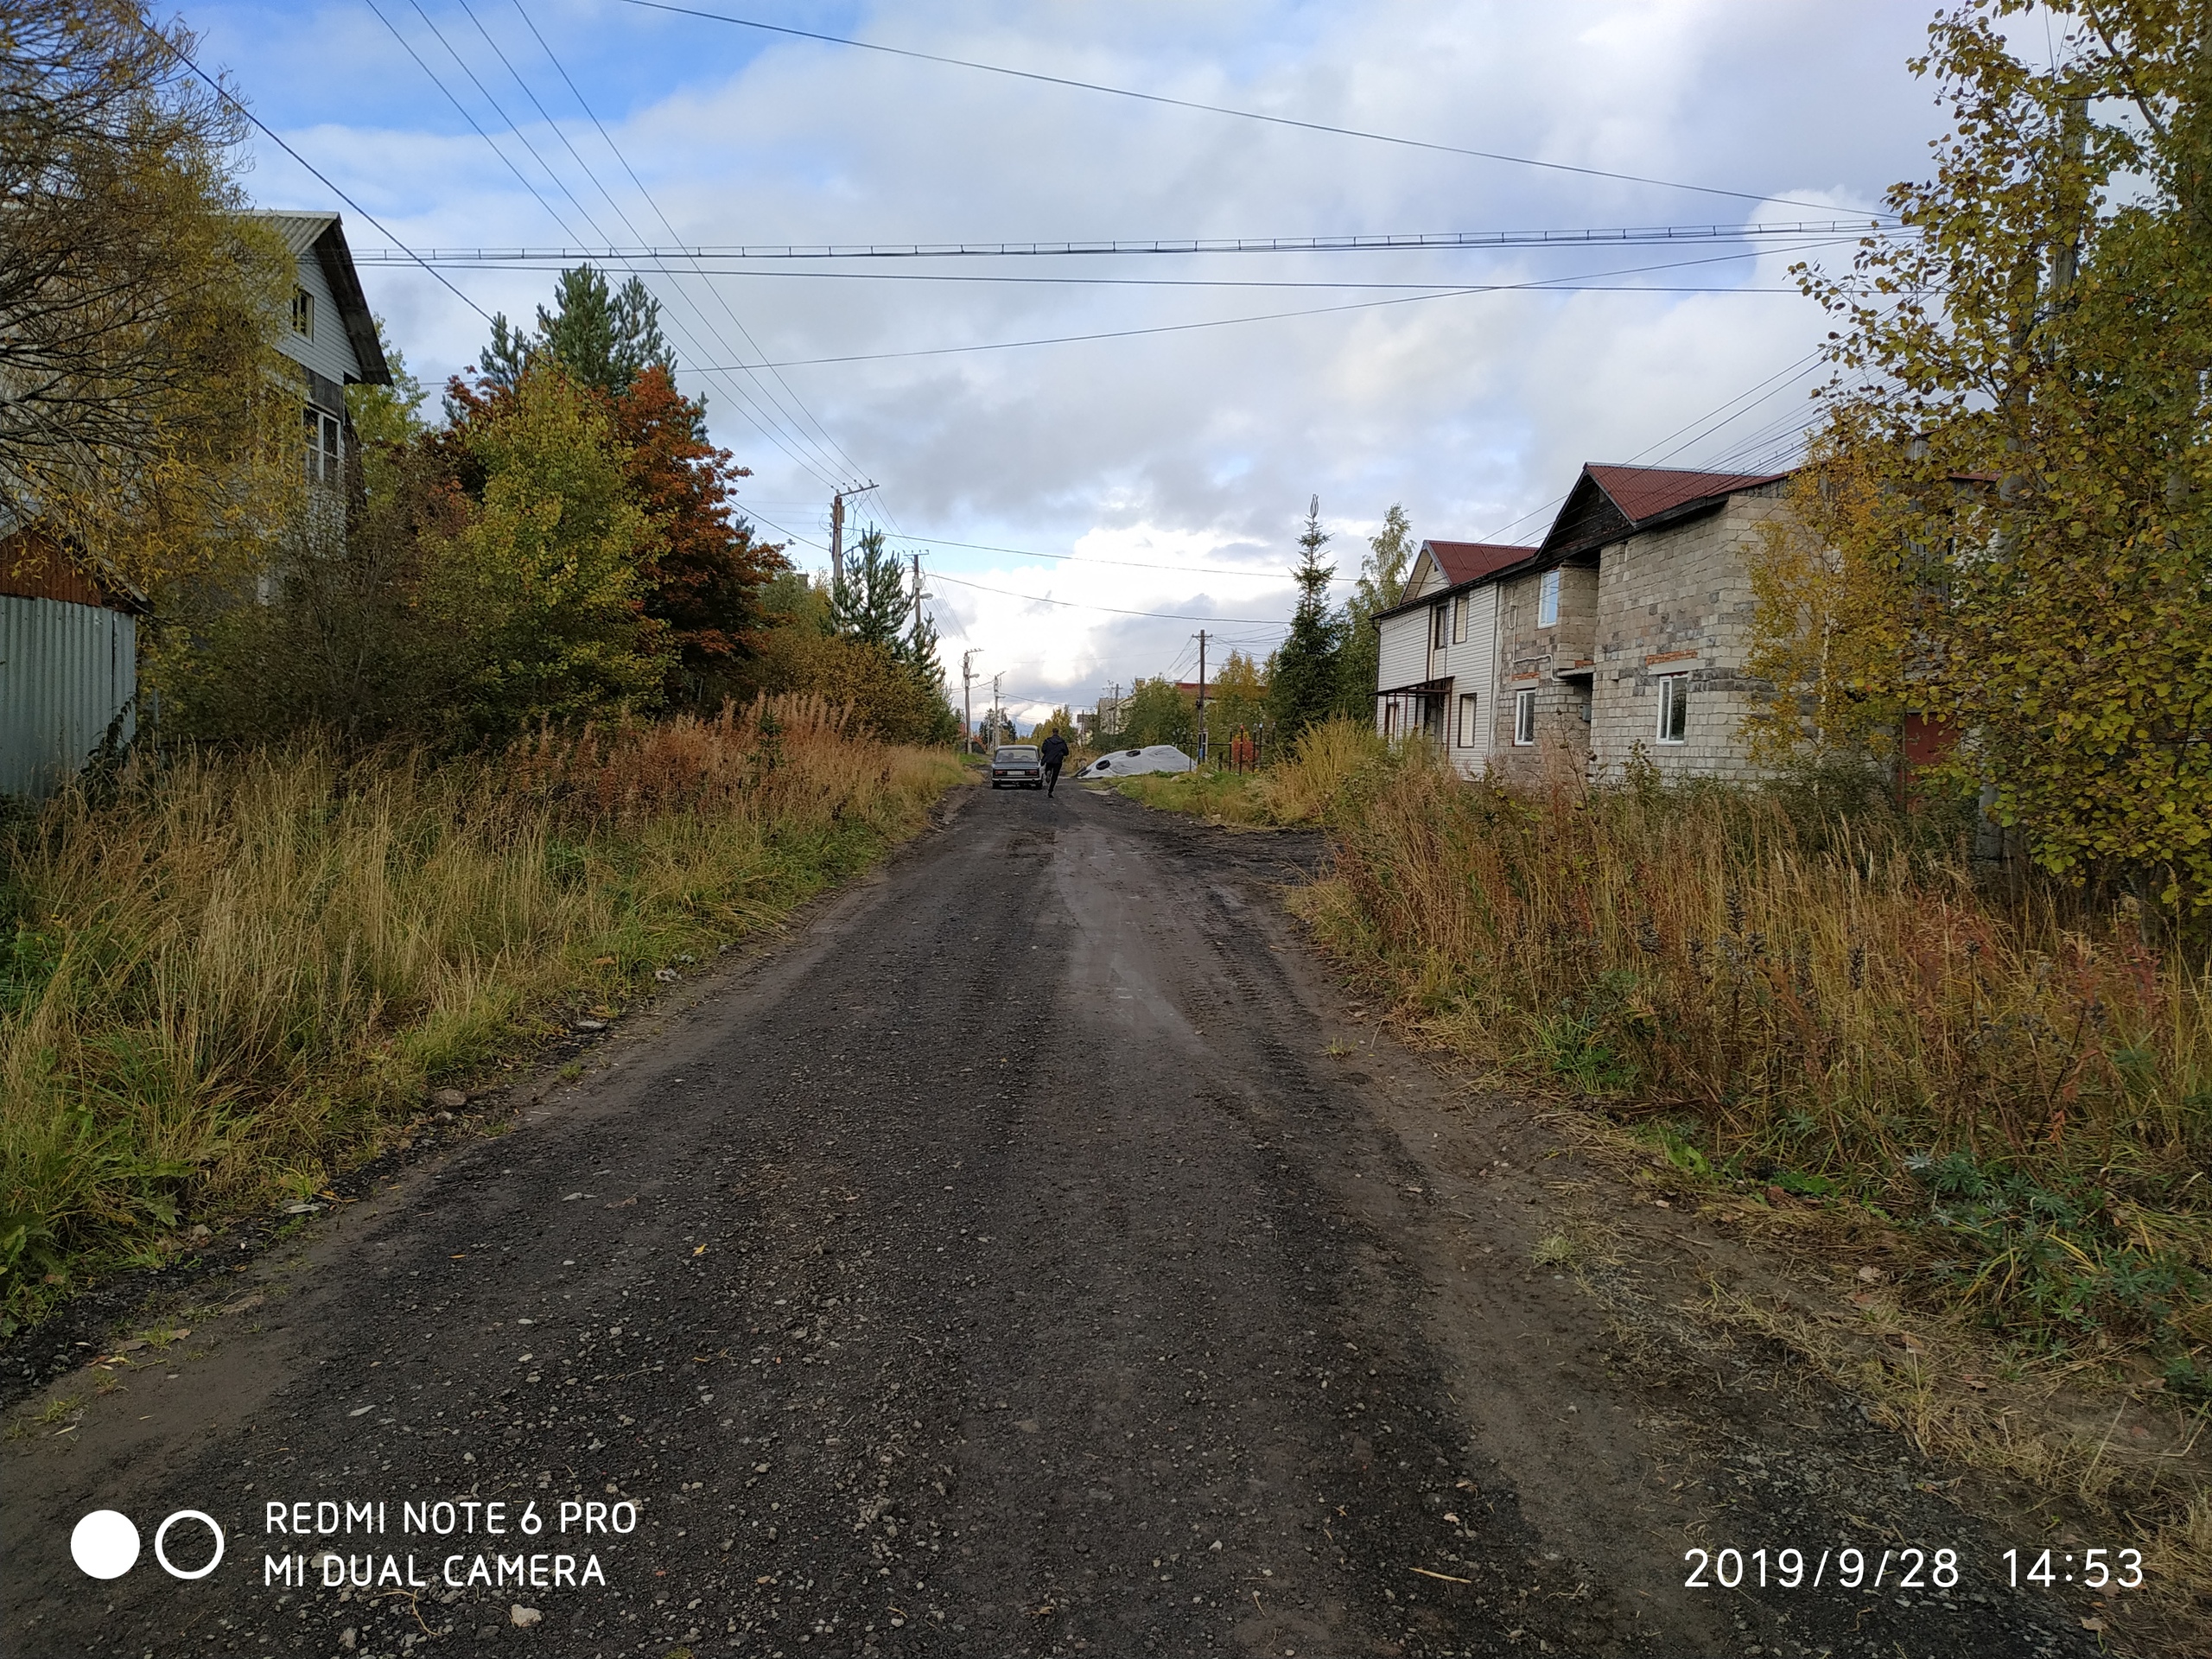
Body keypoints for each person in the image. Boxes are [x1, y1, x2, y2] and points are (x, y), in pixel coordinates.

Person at [1039, 728, 1071, 797]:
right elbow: (1066, 752)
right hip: (1058, 761)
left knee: (1048, 768)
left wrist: (1049, 753)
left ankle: (1048, 772)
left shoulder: (1048, 741)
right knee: (1055, 776)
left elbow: (1043, 750)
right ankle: (1050, 791)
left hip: (1049, 760)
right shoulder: (1062, 742)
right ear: (1058, 732)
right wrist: (1061, 753)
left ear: (1052, 732)